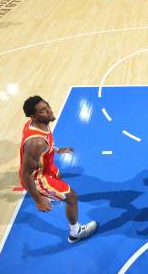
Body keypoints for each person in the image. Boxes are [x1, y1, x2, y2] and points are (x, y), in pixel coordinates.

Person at [20, 96, 97, 243]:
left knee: (58, 175)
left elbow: (46, 143)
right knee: (72, 197)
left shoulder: (38, 124)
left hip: (46, 168)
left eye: (47, 106)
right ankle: (75, 233)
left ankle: (50, 196)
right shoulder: (36, 142)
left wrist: (57, 149)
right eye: (43, 111)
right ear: (33, 116)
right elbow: (26, 174)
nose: (49, 111)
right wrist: (38, 200)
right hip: (38, 178)